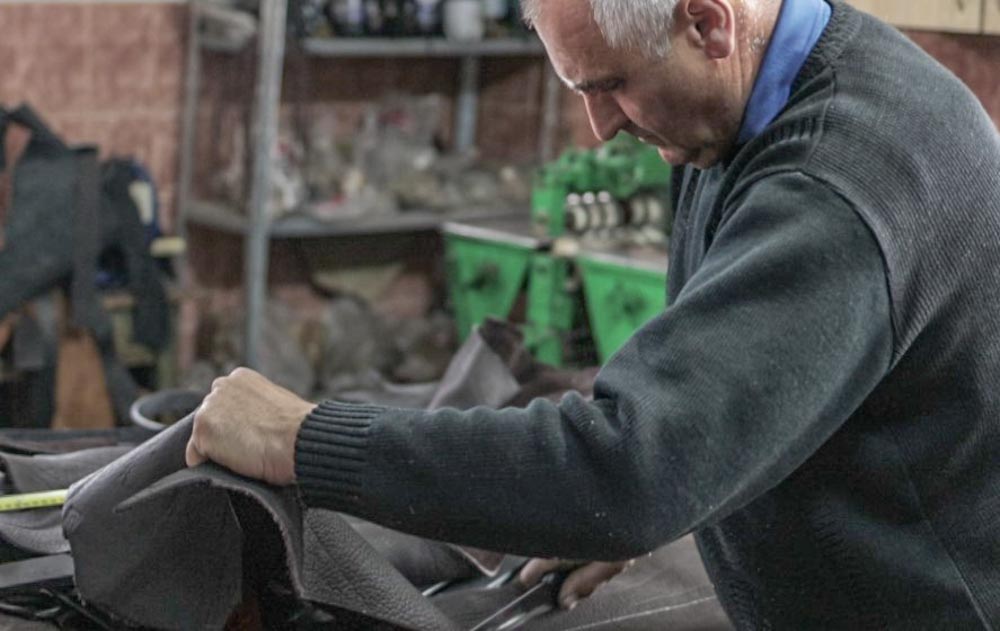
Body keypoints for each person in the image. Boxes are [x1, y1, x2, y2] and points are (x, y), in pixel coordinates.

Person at [186, 0, 1000, 627]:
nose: (600, 125)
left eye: (611, 84)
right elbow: (729, 402)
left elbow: (633, 462)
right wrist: (630, 510)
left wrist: (304, 439)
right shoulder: (744, 103)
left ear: (709, 22)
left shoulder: (832, 186)